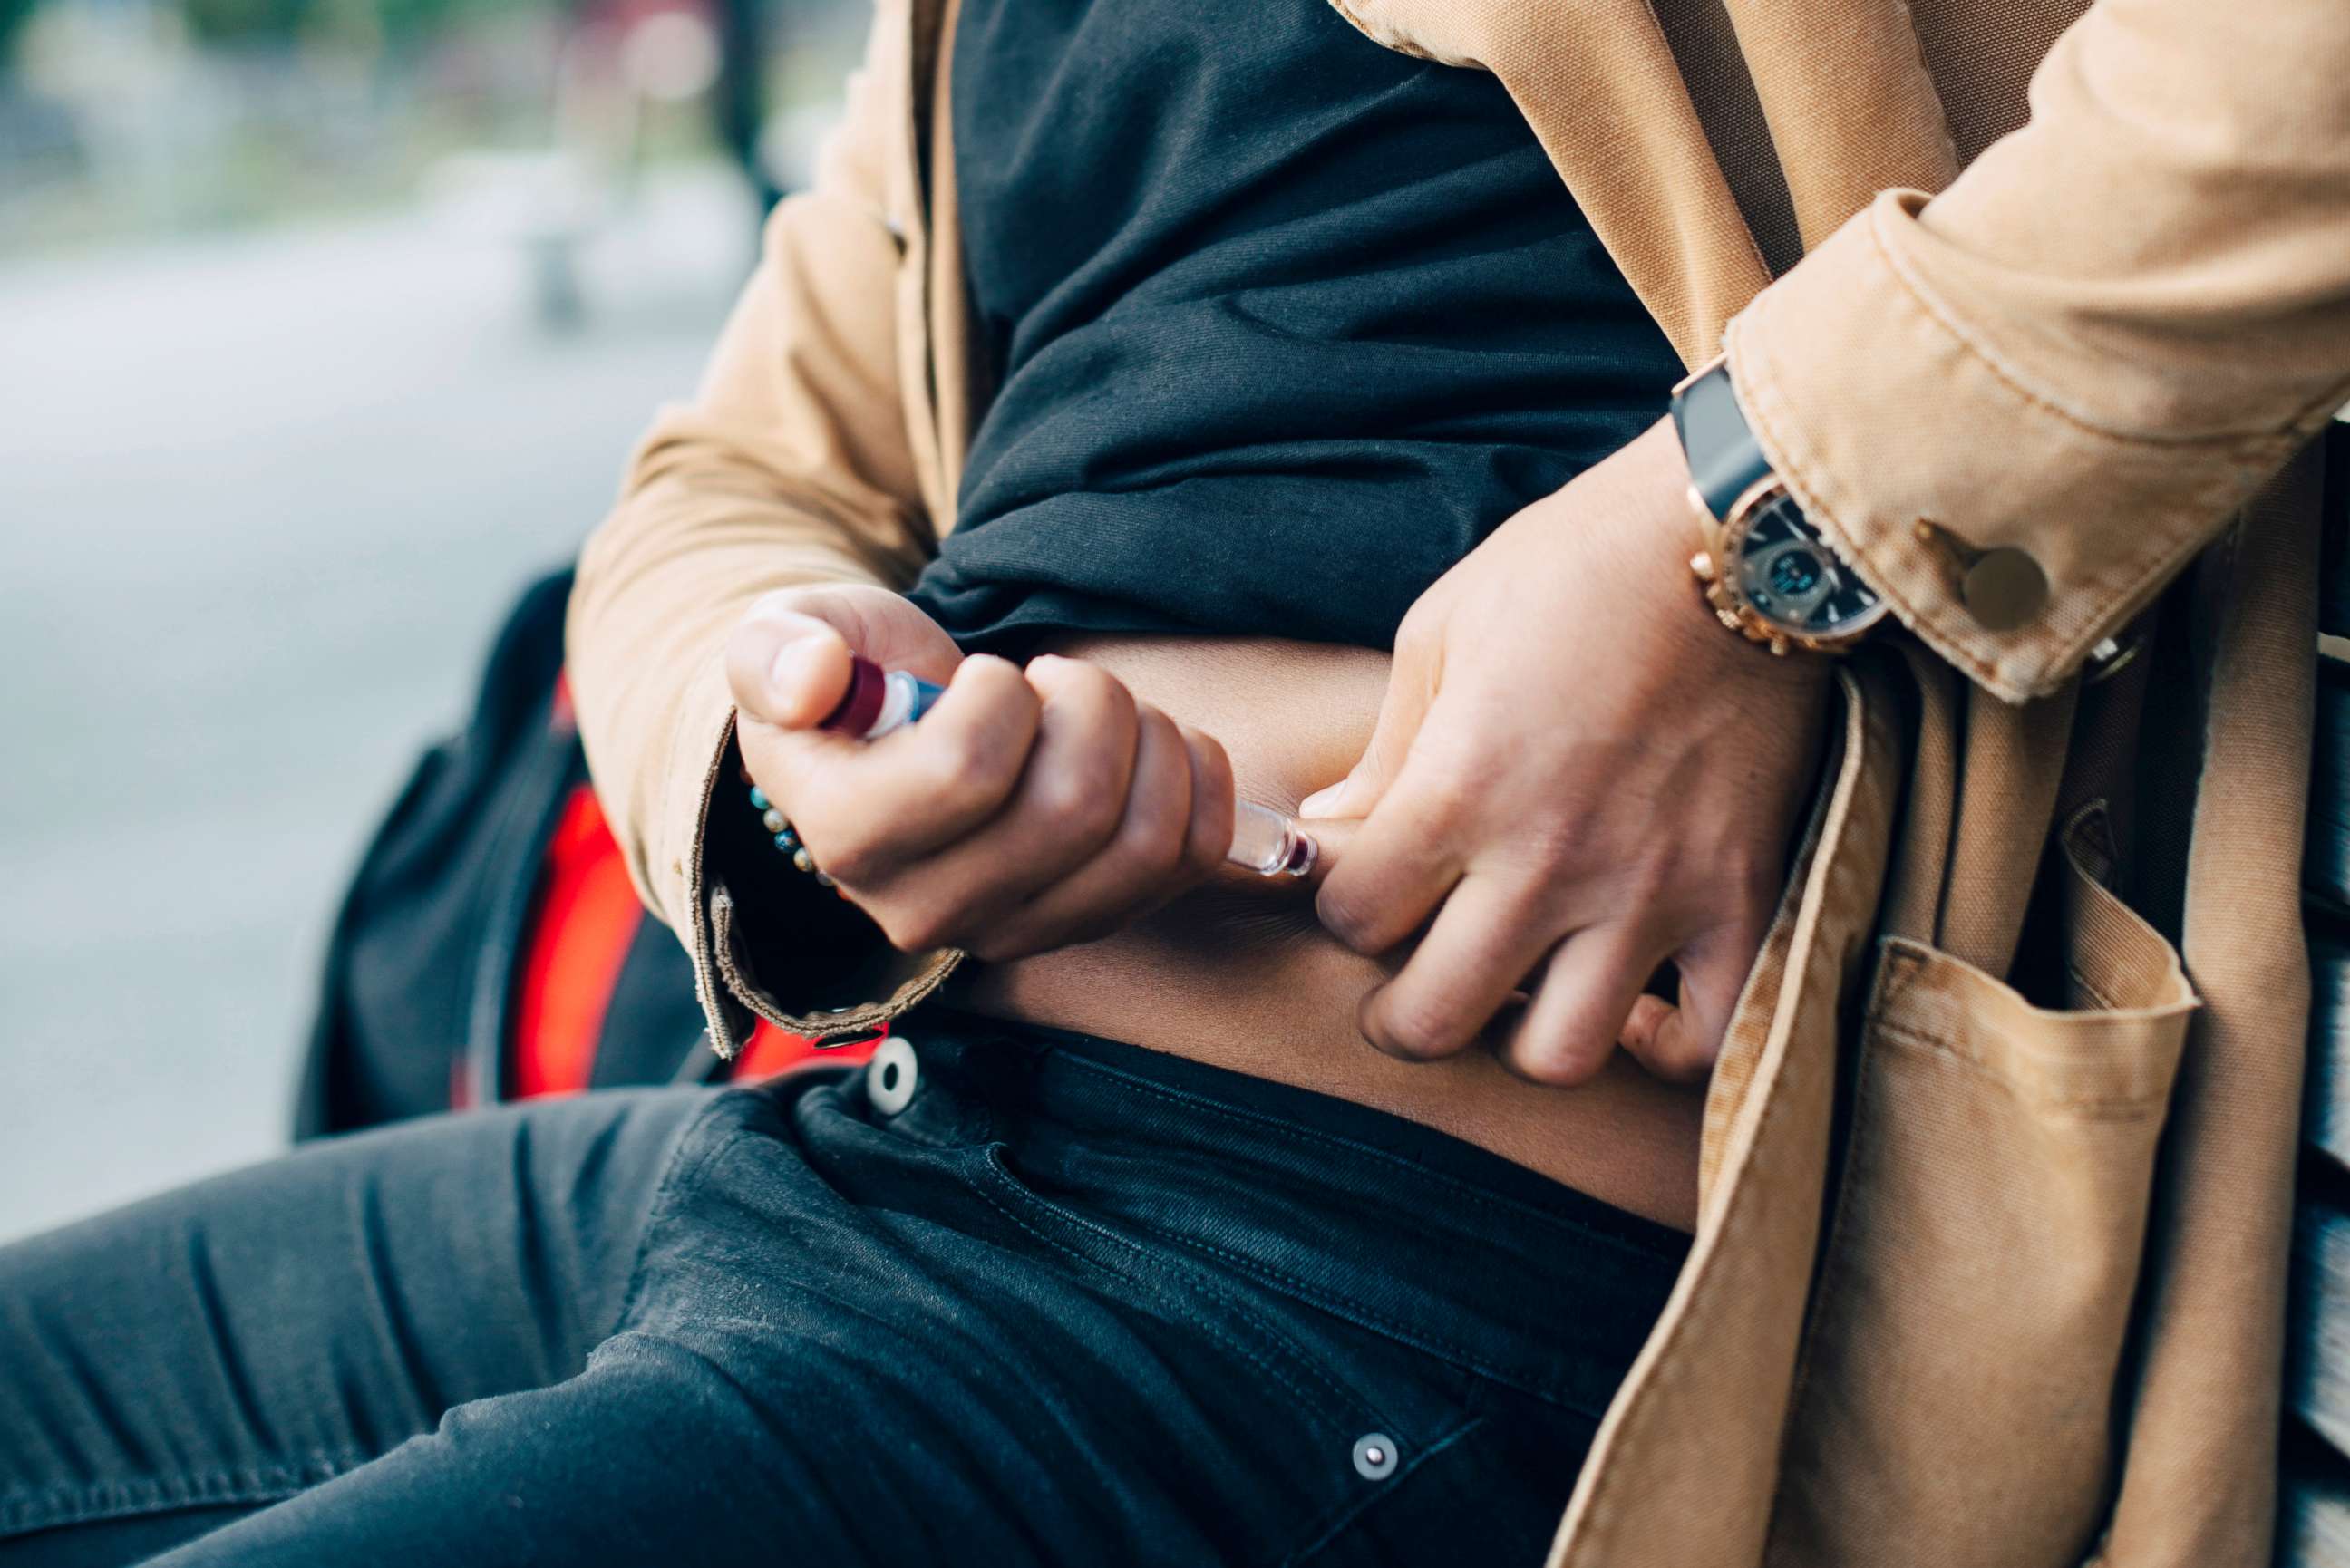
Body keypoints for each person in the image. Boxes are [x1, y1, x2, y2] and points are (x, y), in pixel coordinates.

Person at [1, 3, 2340, 1567]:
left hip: (1370, 1278)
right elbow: (724, 477)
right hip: (882, 1142)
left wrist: (1738, 530)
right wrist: (783, 762)